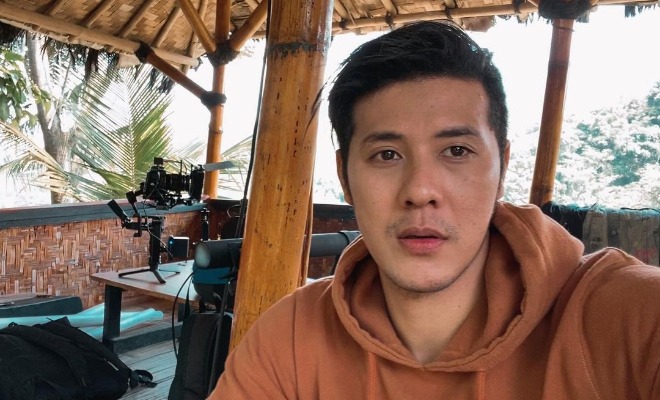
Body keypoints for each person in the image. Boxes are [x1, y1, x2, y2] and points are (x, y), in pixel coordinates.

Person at [208, 21, 660, 399]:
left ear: (502, 167)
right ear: (344, 177)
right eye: (387, 154)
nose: (420, 191)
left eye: (457, 151)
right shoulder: (291, 335)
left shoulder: (623, 318)